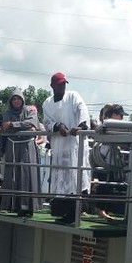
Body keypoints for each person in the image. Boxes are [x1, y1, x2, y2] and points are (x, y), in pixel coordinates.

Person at [0, 89, 41, 217]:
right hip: (12, 146)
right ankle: (11, 206)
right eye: (14, 99)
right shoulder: (6, 113)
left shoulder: (30, 110)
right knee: (12, 175)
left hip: (28, 146)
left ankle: (29, 207)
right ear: (11, 101)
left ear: (22, 100)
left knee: (27, 175)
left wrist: (12, 124)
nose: (16, 101)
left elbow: (32, 123)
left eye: (18, 99)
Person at [42, 72, 91, 200]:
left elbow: (82, 109)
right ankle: (61, 207)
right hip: (59, 147)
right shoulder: (47, 103)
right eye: (59, 84)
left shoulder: (73, 96)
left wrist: (81, 126)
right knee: (61, 178)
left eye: (64, 84)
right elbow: (47, 122)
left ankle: (80, 209)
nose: (62, 86)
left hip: (74, 145)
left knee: (77, 175)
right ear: (52, 86)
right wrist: (58, 126)